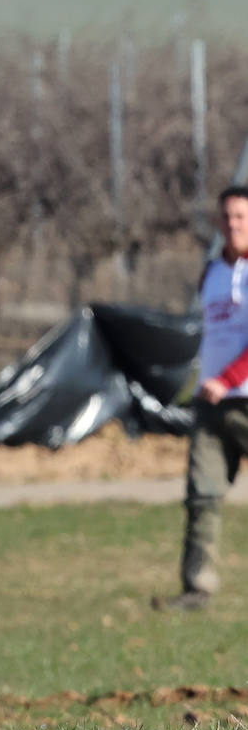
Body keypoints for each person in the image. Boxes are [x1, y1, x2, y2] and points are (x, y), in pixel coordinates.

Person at [156, 186, 248, 611]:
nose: (233, 224)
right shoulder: (211, 272)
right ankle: (197, 589)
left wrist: (229, 379)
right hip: (211, 403)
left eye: (242, 217)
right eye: (227, 217)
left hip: (239, 393)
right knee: (202, 495)